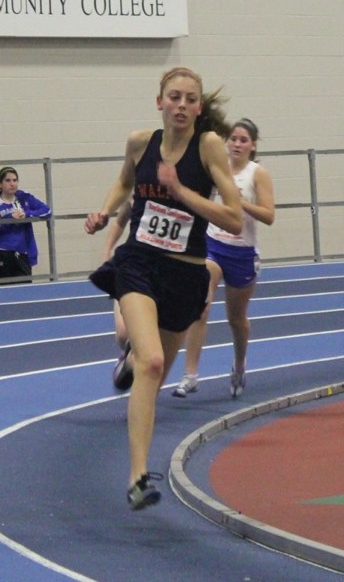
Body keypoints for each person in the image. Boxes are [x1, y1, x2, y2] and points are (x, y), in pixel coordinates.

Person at [84, 66, 243, 510]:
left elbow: (231, 217)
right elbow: (124, 182)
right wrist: (103, 212)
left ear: (198, 108)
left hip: (187, 273)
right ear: (160, 102)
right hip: (139, 262)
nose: (182, 105)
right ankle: (137, 476)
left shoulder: (209, 146)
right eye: (174, 97)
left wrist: (183, 192)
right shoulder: (141, 142)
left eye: (191, 99)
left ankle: (130, 359)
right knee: (153, 362)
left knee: (153, 373)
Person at [172, 118, 275, 399]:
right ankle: (190, 375)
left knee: (236, 319)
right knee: (200, 305)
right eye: (233, 139)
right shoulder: (217, 169)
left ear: (253, 145)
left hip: (243, 252)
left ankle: (240, 364)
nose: (237, 144)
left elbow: (269, 216)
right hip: (214, 245)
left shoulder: (257, 174)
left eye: (243, 140)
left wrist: (238, 202)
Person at [0, 166, 52, 283]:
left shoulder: (23, 197)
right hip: (2, 253)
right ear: (0, 184)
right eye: (8, 180)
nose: (12, 184)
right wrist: (9, 219)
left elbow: (47, 211)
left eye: (15, 180)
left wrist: (27, 214)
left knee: (23, 290)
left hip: (22, 253)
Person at [101, 199, 132, 388]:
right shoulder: (141, 191)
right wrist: (106, 252)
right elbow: (120, 221)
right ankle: (127, 355)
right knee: (123, 334)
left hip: (167, 268)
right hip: (133, 262)